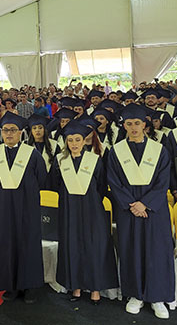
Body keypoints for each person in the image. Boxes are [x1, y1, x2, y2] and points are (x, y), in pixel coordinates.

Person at [107, 103, 174, 319]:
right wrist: (131, 204)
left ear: (144, 124)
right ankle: (135, 295)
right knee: (131, 250)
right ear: (124, 125)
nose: (134, 127)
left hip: (154, 210)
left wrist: (145, 204)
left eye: (137, 123)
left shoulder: (159, 150)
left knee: (157, 251)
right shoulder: (117, 151)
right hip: (129, 211)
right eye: (129, 124)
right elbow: (114, 182)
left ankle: (157, 297)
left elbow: (164, 181)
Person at [51, 121, 118, 305]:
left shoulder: (94, 160)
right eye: (70, 140)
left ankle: (96, 288)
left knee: (93, 246)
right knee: (72, 245)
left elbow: (101, 186)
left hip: (92, 209)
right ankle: (76, 286)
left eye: (77, 139)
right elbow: (55, 184)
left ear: (84, 141)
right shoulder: (60, 161)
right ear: (66, 141)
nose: (73, 143)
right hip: (69, 209)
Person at [0, 112, 46, 304]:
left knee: (27, 241)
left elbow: (42, 178)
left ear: (21, 133)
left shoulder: (32, 154)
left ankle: (28, 285)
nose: (9, 134)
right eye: (5, 130)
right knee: (6, 242)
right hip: (3, 206)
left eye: (13, 130)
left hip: (27, 206)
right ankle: (10, 285)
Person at [26, 114, 58, 190]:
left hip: (50, 183)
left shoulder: (54, 145)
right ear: (31, 131)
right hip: (30, 183)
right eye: (34, 128)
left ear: (44, 129)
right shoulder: (25, 145)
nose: (37, 130)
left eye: (40, 128)